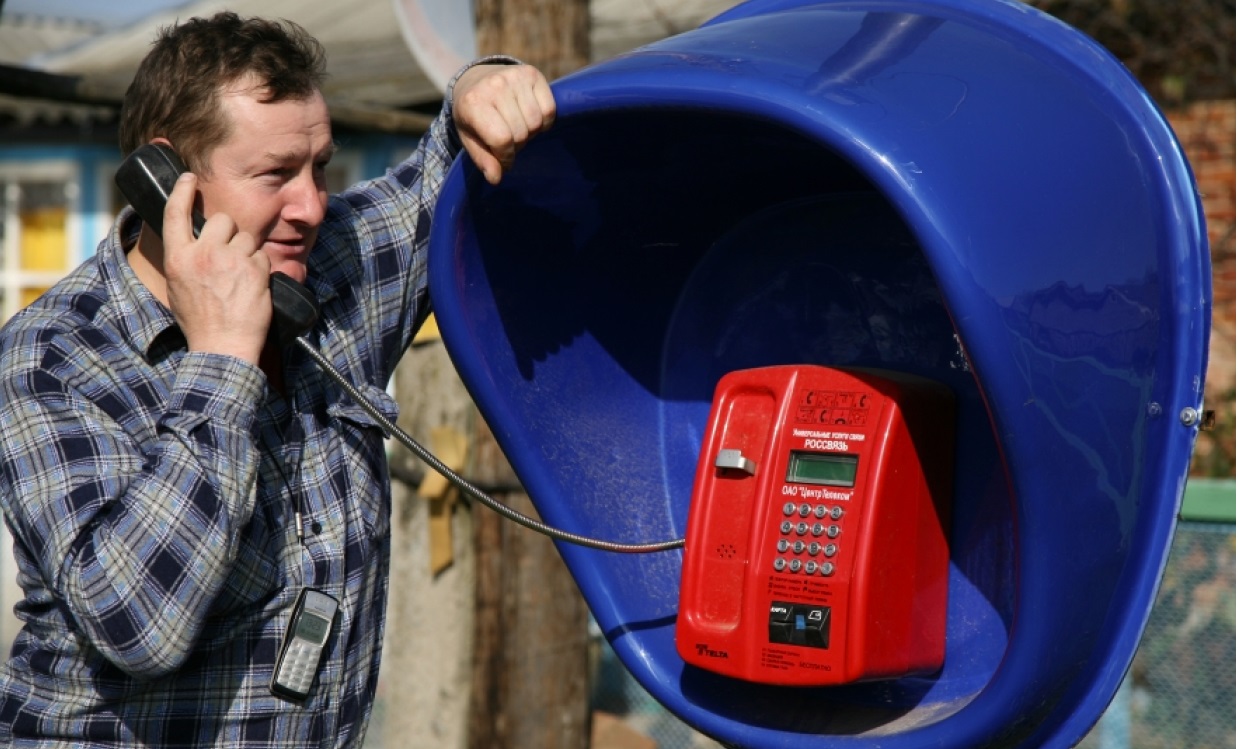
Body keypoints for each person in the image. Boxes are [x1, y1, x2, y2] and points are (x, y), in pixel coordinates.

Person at [0, 12, 554, 748]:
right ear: (167, 181)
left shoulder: (327, 269)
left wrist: (480, 83)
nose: (312, 206)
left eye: (320, 166)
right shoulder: (52, 359)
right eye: (274, 175)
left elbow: (448, 161)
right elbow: (137, 622)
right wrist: (225, 360)